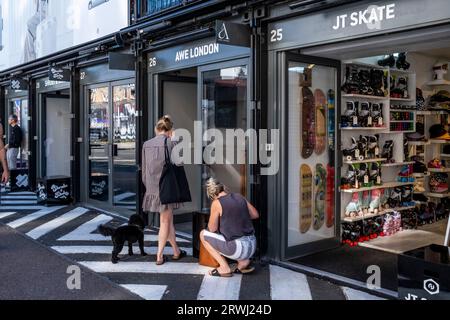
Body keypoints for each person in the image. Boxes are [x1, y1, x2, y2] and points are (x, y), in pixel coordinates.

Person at [142, 115, 187, 265]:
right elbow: (180, 163)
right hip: (166, 189)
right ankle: (159, 255)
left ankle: (176, 251)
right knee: (165, 222)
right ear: (169, 130)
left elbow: (144, 170)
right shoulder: (171, 143)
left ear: (157, 129)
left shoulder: (146, 144)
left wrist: (149, 186)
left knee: (168, 221)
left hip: (153, 188)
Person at [200, 178, 259, 277]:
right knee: (234, 235)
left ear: (211, 194)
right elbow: (255, 215)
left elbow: (212, 229)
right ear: (223, 187)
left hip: (238, 248)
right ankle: (243, 262)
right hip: (252, 246)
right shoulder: (239, 196)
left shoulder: (216, 203)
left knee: (203, 234)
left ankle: (224, 267)